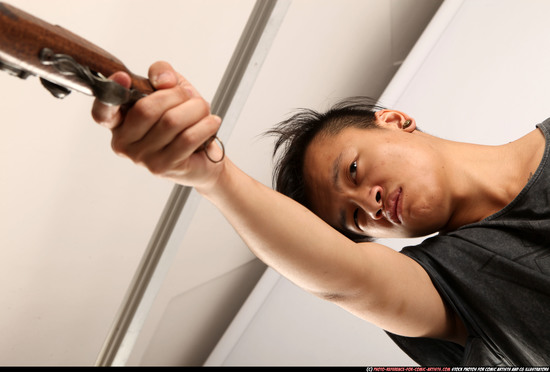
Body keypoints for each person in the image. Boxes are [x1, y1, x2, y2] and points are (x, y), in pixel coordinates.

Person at [92, 61, 550, 366]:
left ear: (394, 120)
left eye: (353, 169)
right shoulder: (452, 284)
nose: (369, 204)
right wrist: (212, 175)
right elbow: (350, 279)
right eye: (354, 220)